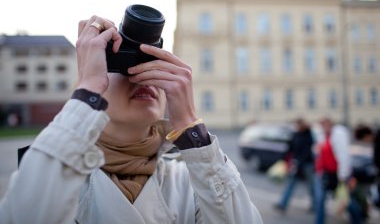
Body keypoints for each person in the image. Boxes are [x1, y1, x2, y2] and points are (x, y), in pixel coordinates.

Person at [0, 16, 263, 223]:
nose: (140, 76)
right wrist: (87, 88)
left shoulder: (191, 178)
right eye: (124, 66)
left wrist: (191, 127)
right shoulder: (56, 170)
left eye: (152, 65)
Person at [314, 118, 356, 224]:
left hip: (337, 175)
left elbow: (343, 156)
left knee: (345, 200)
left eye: (325, 124)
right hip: (325, 173)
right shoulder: (322, 137)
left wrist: (343, 175)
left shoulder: (338, 136)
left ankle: (357, 218)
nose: (324, 127)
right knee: (320, 200)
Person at [274, 118, 315, 213]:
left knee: (311, 186)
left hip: (307, 164)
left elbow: (308, 151)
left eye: (297, 125)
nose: (295, 127)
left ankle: (314, 205)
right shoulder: (295, 134)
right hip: (296, 164)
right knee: (290, 184)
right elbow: (290, 148)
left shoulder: (308, 135)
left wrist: (299, 160)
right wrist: (282, 158)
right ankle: (282, 204)